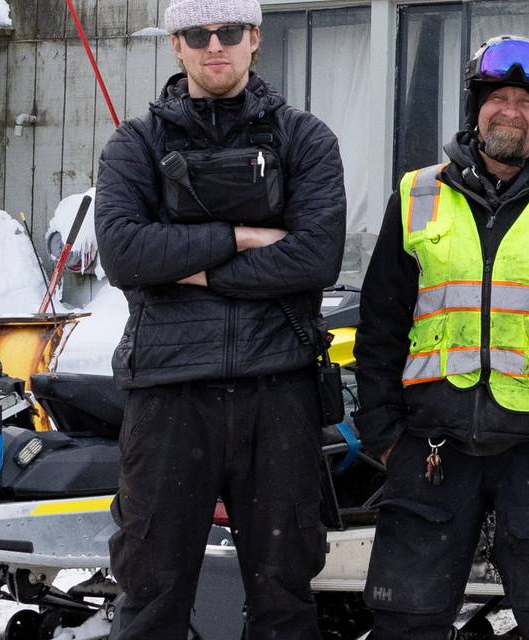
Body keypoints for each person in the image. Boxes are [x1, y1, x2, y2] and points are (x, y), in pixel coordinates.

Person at [351, 35, 529, 639]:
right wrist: (386, 441)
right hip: (432, 452)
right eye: (497, 98)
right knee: (404, 620)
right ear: (474, 110)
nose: (511, 111)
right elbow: (380, 330)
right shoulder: (415, 197)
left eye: (528, 102)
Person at [93, 0, 347, 635]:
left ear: (254, 38)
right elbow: (125, 252)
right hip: (168, 399)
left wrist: (189, 266)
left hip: (279, 394)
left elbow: (314, 257)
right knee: (151, 598)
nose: (215, 46)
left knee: (286, 600)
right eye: (197, 33)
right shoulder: (135, 145)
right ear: (175, 44)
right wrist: (242, 235)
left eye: (229, 31)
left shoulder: (305, 139)